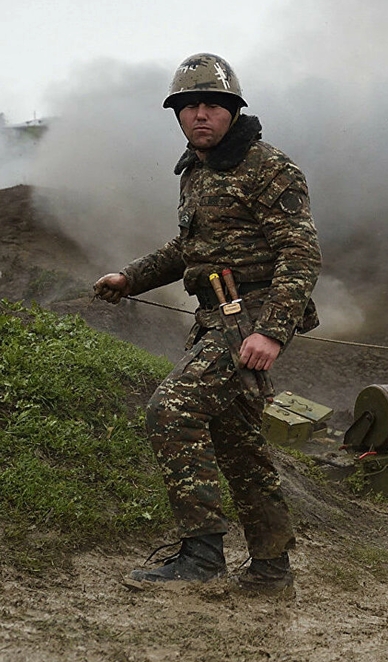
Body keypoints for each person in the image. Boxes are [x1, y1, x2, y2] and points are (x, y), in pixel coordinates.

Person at [93, 53, 321, 593]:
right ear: (177, 114)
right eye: (190, 105)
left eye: (213, 105)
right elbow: (188, 248)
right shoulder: (196, 171)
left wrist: (273, 331)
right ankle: (270, 570)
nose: (201, 114)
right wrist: (130, 278)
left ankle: (201, 556)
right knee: (240, 446)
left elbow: (301, 252)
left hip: (248, 323)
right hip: (215, 318)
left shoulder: (269, 167)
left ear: (233, 110)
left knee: (170, 411)